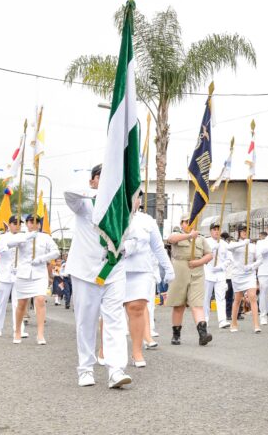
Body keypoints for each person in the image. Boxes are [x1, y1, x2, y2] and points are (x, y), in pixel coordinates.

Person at [64, 164, 132, 389]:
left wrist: (127, 246)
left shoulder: (121, 207)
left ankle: (116, 369)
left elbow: (129, 236)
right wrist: (100, 193)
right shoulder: (83, 204)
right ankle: (85, 369)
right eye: (103, 177)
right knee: (86, 321)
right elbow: (68, 192)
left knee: (115, 318)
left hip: (113, 269)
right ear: (92, 181)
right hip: (85, 271)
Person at [123, 196, 175, 366]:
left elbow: (158, 246)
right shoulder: (115, 214)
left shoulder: (147, 220)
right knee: (111, 313)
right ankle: (105, 351)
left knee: (137, 309)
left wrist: (168, 268)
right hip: (117, 270)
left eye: (137, 196)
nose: (134, 199)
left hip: (141, 271)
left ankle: (137, 352)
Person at [10, 215, 59, 345]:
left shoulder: (45, 237)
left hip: (39, 273)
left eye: (37, 222)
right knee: (21, 304)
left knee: (40, 300)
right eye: (31, 222)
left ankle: (40, 334)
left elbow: (56, 252)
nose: (34, 224)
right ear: (26, 223)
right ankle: (17, 331)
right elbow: (9, 245)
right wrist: (24, 237)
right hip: (23, 273)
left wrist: (42, 259)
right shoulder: (21, 236)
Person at [167, 219, 213, 345]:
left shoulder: (201, 239)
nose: (189, 224)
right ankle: (176, 335)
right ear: (182, 224)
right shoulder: (177, 234)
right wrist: (189, 236)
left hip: (197, 272)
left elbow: (209, 254)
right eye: (186, 222)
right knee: (178, 305)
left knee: (197, 304)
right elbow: (171, 239)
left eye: (191, 222)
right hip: (179, 272)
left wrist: (198, 262)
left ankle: (203, 334)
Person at [0, 216, 28, 338]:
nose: (17, 226)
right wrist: (8, 245)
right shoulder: (2, 237)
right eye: (15, 223)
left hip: (19, 274)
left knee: (18, 303)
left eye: (20, 224)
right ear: (10, 225)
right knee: (1, 302)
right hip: (4, 274)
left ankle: (19, 329)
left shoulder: (24, 237)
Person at [225, 225, 261, 333]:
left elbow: (260, 259)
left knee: (253, 297)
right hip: (237, 274)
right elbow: (229, 248)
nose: (245, 232)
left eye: (247, 231)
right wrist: (243, 243)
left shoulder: (253, 246)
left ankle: (256, 325)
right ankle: (234, 323)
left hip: (249, 274)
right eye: (243, 231)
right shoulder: (234, 244)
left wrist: (252, 266)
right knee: (237, 299)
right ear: (239, 232)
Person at [203, 222, 230, 330]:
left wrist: (221, 266)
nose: (216, 231)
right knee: (206, 298)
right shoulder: (206, 242)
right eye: (214, 229)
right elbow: (202, 254)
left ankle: (222, 320)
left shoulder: (224, 244)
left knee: (221, 297)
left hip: (220, 273)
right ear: (210, 231)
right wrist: (213, 248)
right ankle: (205, 319)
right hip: (208, 272)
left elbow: (229, 259)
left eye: (218, 229)